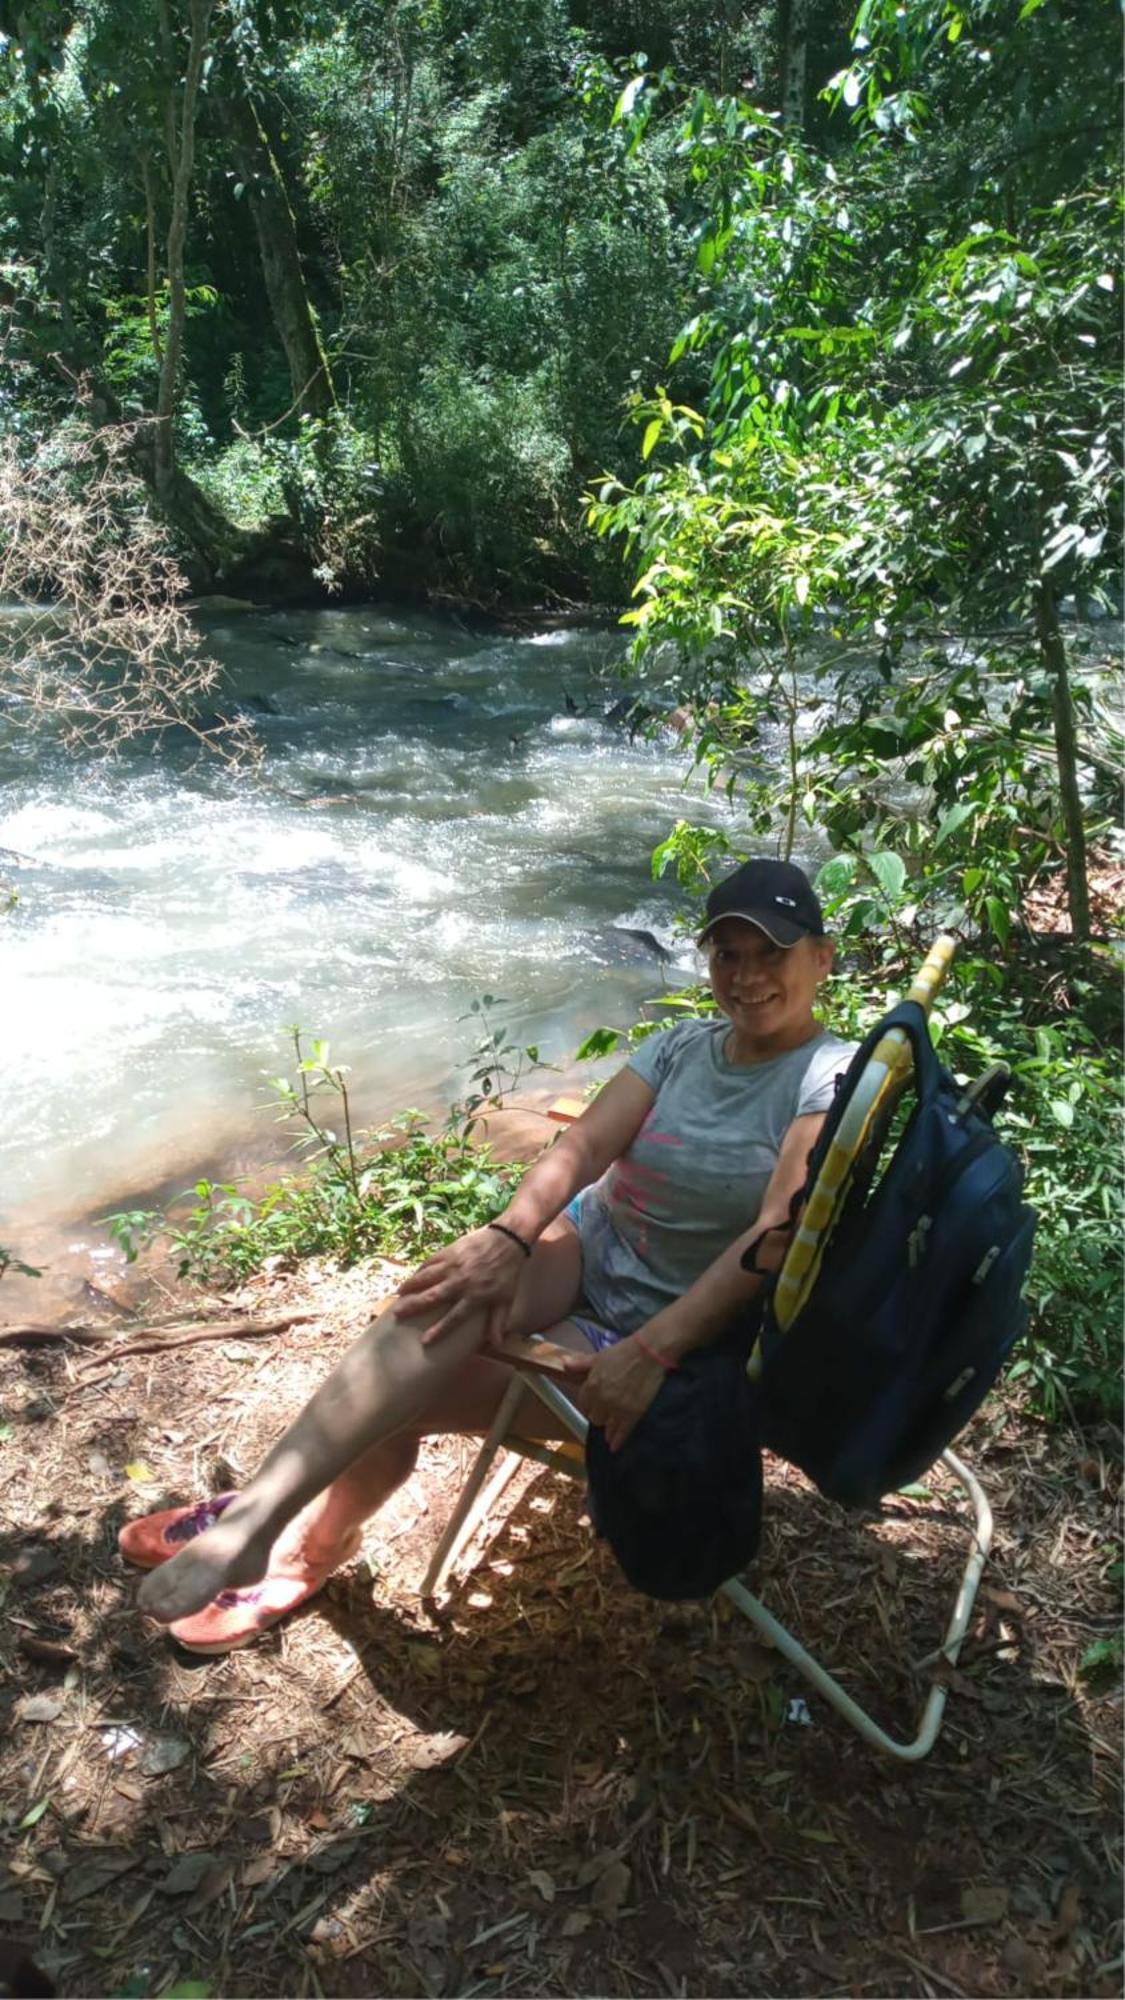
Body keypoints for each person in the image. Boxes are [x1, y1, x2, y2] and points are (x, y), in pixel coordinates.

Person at [122, 857, 856, 1652]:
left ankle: (306, 1550)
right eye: (727, 955)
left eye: (770, 953)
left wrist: (654, 1347)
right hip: (589, 1246)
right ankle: (262, 1520)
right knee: (429, 1307)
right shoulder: (683, 1046)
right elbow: (581, 1148)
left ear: (821, 956)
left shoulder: (826, 1076)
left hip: (659, 1324)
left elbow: (772, 1236)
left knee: (395, 1396)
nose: (745, 976)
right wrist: (507, 1237)